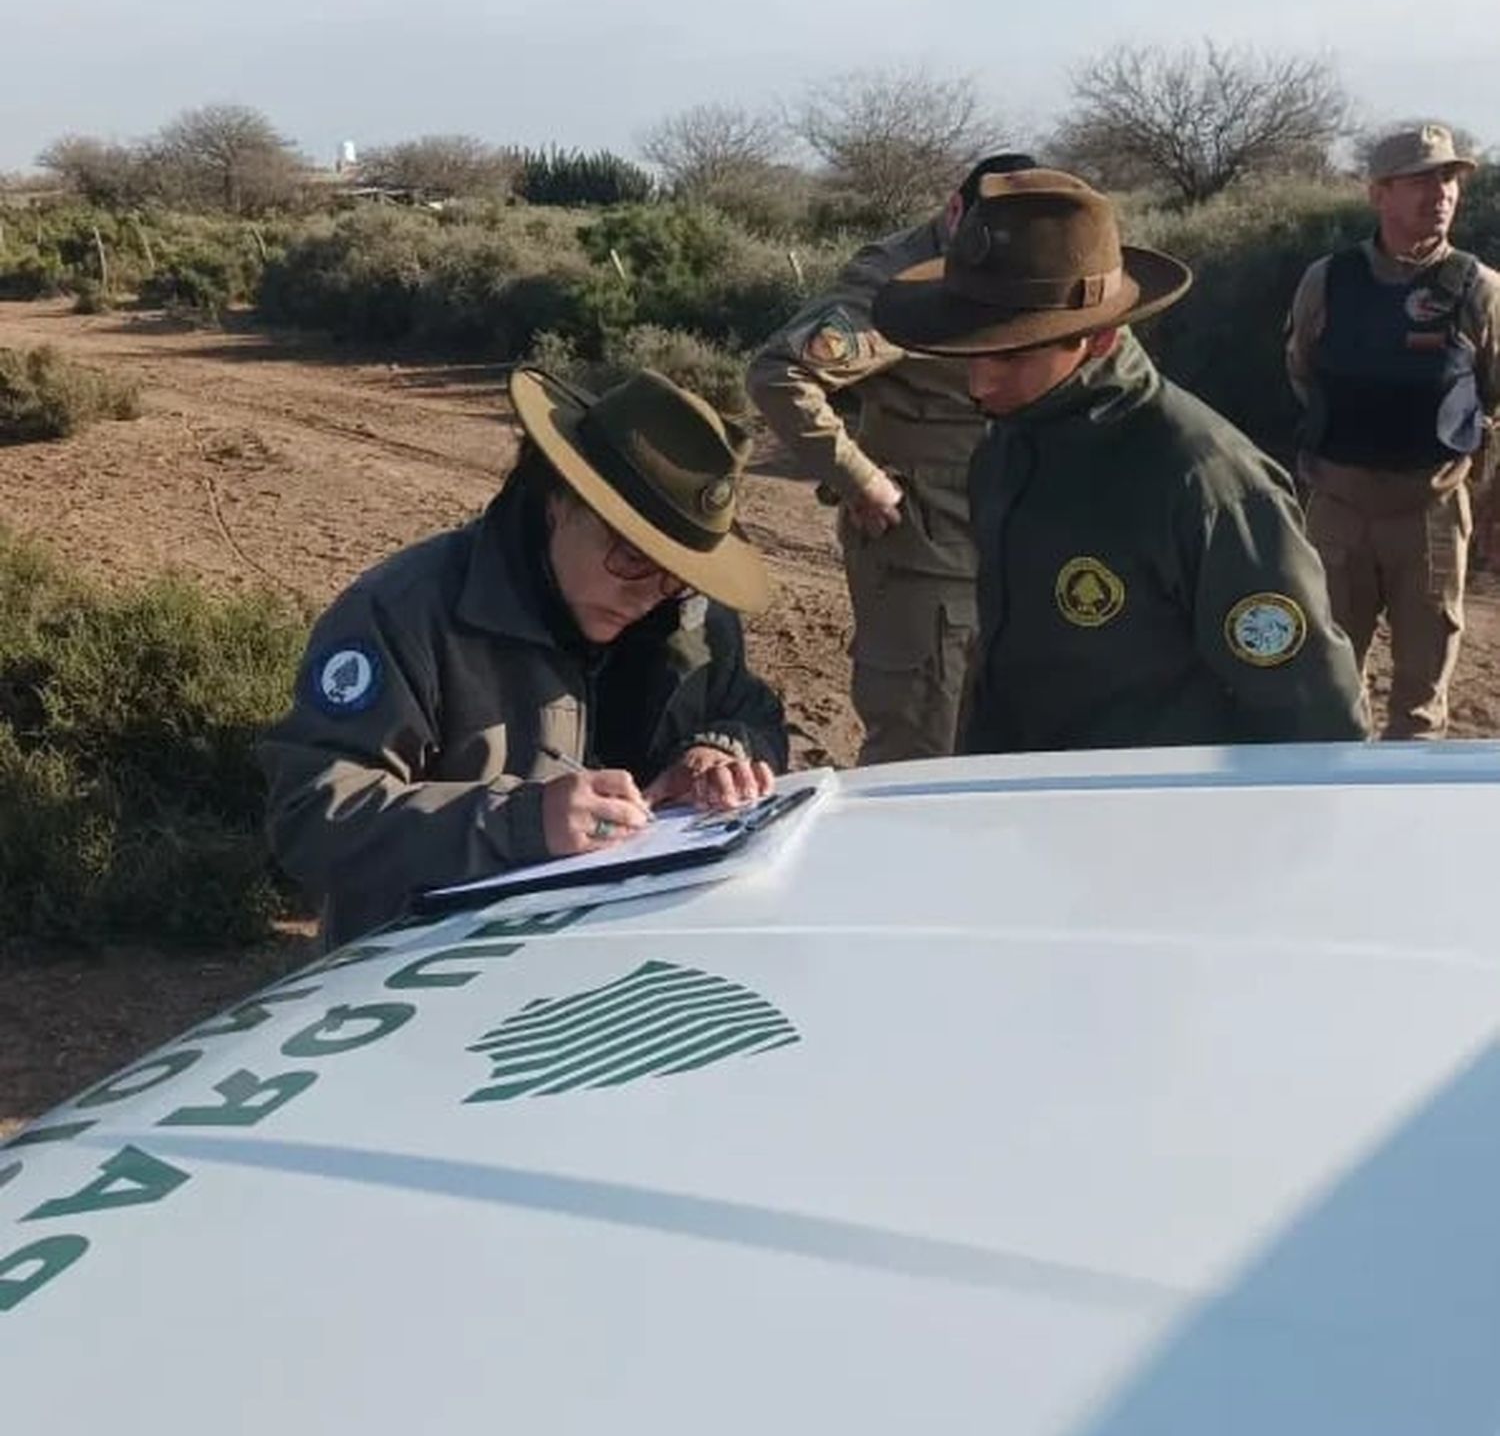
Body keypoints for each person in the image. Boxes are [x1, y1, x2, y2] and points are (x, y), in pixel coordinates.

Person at [260, 367, 789, 946]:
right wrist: (522, 823)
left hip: (625, 954)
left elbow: (751, 710)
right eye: (633, 557)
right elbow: (311, 816)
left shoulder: (692, 615)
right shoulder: (403, 614)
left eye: (678, 575)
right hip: (429, 976)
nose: (648, 594)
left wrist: (719, 750)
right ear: (559, 498)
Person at [871, 166, 1369, 753]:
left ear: (1098, 339)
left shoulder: (1207, 484)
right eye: (972, 352)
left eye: (1010, 357)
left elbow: (1311, 710)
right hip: (1025, 812)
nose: (979, 383)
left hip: (1156, 820)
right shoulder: (1010, 445)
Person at [747, 151, 1036, 764]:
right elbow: (781, 373)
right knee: (923, 755)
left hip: (1012, 552)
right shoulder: (900, 282)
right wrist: (860, 480)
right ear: (956, 210)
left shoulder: (1026, 264)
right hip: (928, 561)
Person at [1287, 123, 1500, 738]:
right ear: (1378, 193)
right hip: (1338, 510)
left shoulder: (1478, 289)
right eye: (1420, 180)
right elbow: (1302, 370)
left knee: (1421, 705)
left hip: (1429, 513)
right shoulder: (1327, 280)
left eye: (1449, 178)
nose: (1441, 193)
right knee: (1324, 691)